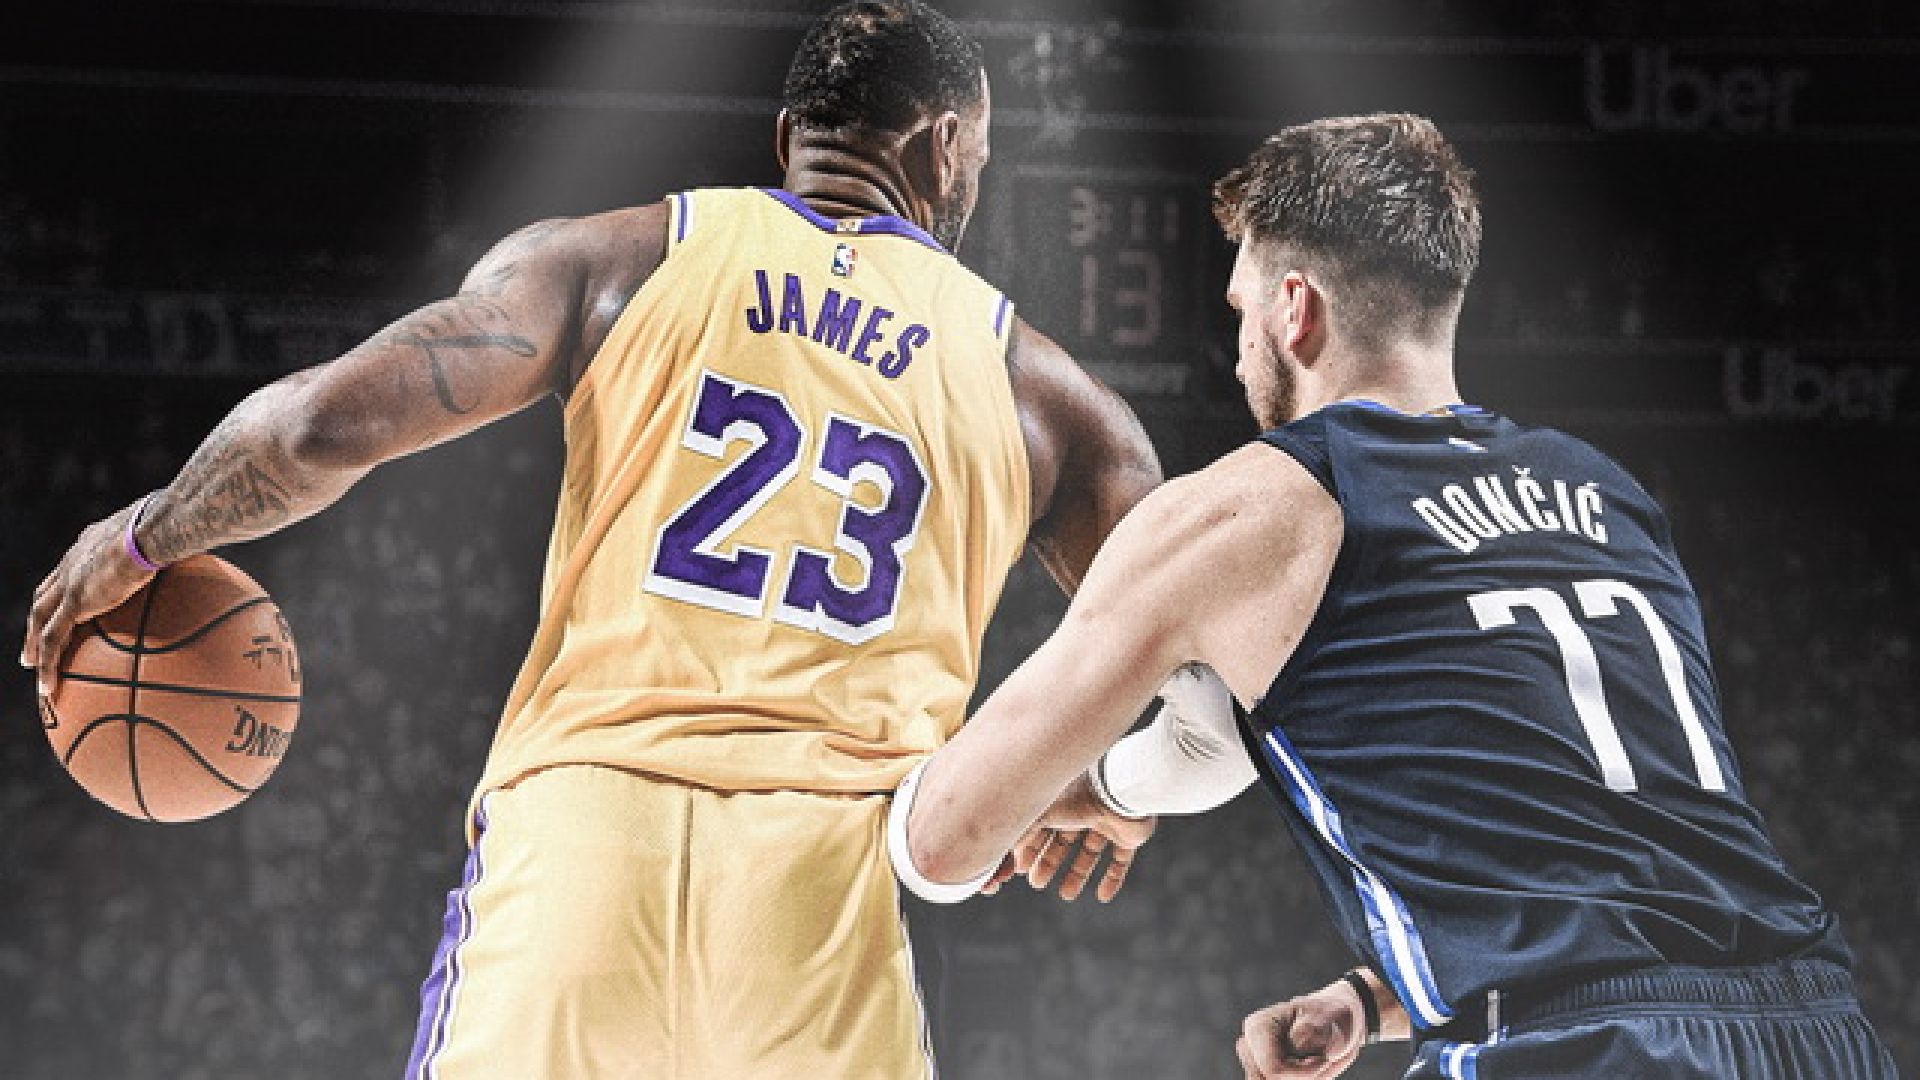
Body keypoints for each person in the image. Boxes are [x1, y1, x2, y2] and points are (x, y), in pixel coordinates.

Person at [21, 3, 1161, 1076]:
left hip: (578, 852)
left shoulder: (620, 261)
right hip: (828, 896)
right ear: (949, 144)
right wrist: (1100, 774)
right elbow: (1189, 647)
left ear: (788, 140)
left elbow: (318, 427)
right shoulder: (1048, 400)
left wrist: (141, 538)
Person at [894, 112, 1898, 1079]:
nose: (1239, 350)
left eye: (1242, 312)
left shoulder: (1253, 507)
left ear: (1295, 310)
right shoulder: (1607, 494)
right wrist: (1373, 1000)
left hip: (1574, 1055)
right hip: (1819, 1032)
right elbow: (1627, 874)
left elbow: (942, 842)